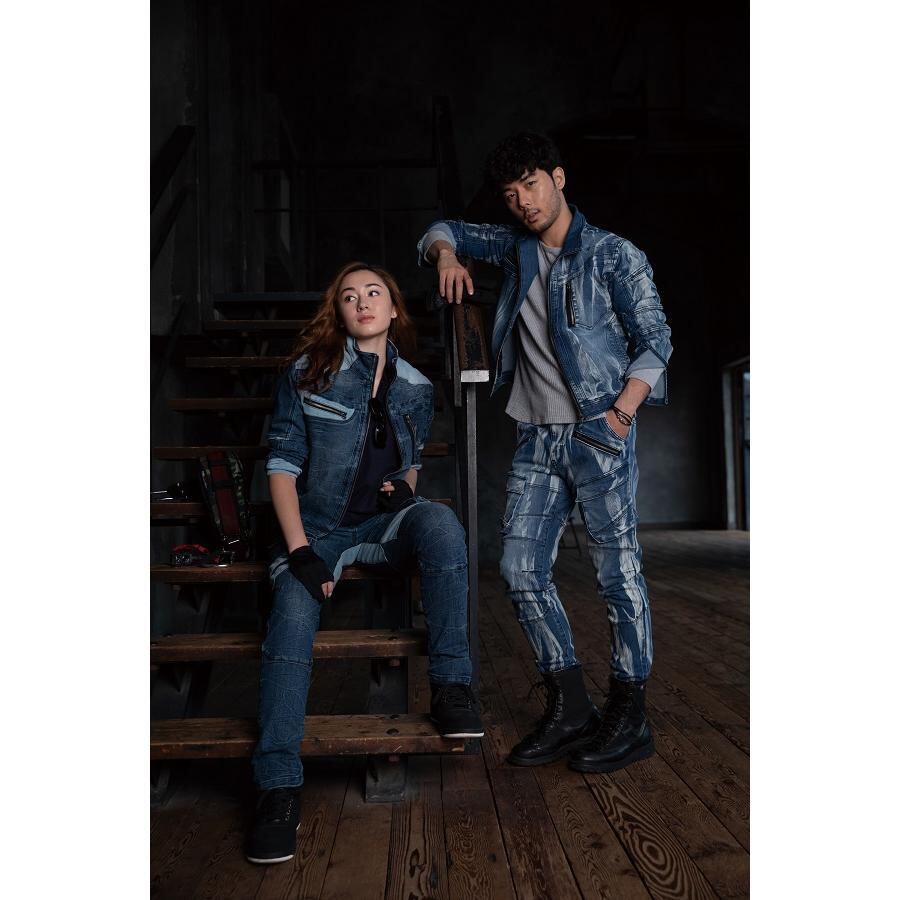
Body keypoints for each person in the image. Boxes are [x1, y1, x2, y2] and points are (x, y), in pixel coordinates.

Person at [417, 132, 672, 775]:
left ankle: (631, 713)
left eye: (531, 185)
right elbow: (441, 231)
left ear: (558, 178)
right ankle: (571, 705)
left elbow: (656, 340)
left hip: (599, 433)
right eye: (510, 194)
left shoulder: (613, 254)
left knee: (618, 574)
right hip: (536, 436)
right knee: (520, 569)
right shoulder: (515, 248)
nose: (523, 202)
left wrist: (619, 416)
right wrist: (446, 255)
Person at [247, 262, 483, 865]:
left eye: (374, 292)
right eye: (349, 296)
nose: (363, 302)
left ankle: (452, 687)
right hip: (317, 531)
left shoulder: (417, 387)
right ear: (340, 312)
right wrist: (300, 551)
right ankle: (277, 787)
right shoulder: (308, 373)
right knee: (292, 614)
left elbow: (411, 464)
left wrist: (405, 487)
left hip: (381, 525)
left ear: (394, 308)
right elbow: (281, 466)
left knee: (442, 524)